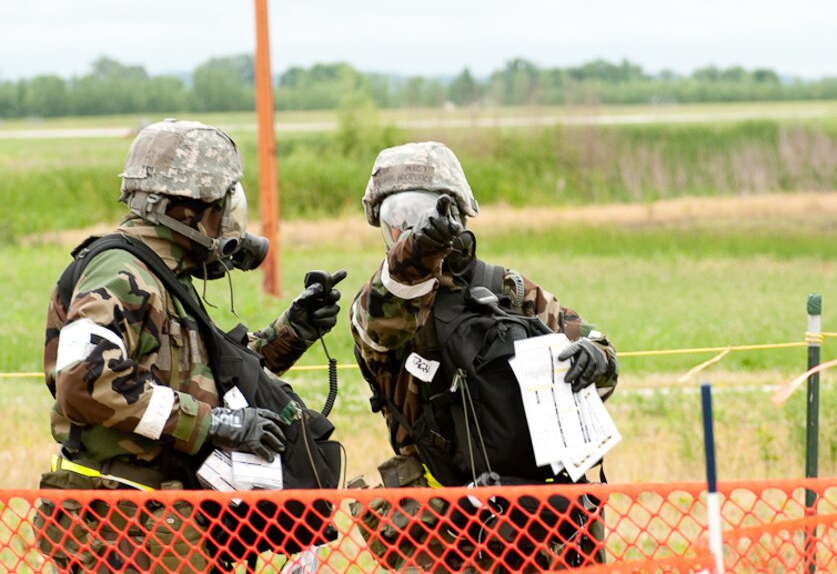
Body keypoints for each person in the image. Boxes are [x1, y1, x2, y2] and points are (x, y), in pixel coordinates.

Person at [38, 119, 343, 573]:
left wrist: (292, 330)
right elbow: (84, 384)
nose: (229, 221)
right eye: (222, 207)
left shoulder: (162, 275)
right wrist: (215, 423)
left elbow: (206, 379)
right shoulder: (121, 274)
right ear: (185, 212)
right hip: (117, 531)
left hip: (159, 526)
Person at [349, 141, 619, 570]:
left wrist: (596, 359)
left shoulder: (507, 288)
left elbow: (599, 349)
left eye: (424, 212)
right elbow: (380, 318)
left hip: (540, 512)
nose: (411, 226)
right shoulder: (379, 308)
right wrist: (413, 256)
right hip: (439, 530)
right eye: (397, 218)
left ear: (457, 213)